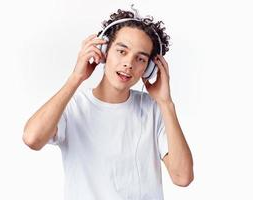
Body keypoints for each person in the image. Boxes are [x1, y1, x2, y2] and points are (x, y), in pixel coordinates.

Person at [23, 6, 194, 200]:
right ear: (104, 51)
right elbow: (32, 138)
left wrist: (166, 103)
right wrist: (76, 78)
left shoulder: (155, 109)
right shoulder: (73, 107)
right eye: (122, 51)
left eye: (140, 59)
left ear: (149, 69)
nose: (129, 63)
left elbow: (183, 177)